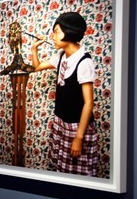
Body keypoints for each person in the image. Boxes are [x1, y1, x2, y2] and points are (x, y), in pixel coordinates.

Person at [31, 12, 98, 176]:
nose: (52, 36)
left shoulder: (84, 62)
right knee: (61, 170)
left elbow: (89, 103)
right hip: (61, 122)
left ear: (70, 32)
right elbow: (37, 67)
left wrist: (79, 138)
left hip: (77, 127)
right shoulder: (61, 56)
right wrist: (34, 49)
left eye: (56, 32)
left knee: (77, 174)